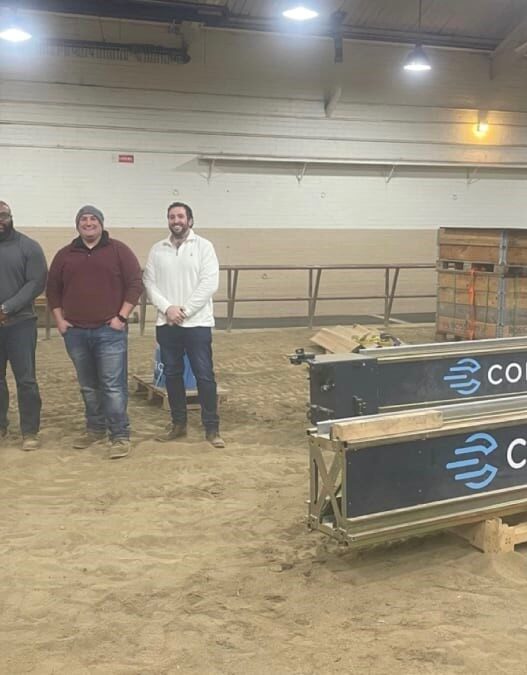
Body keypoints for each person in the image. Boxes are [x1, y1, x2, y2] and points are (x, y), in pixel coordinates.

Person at [46, 205, 143, 459]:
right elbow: (52, 289)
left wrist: (121, 317)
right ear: (77, 224)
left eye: (93, 219)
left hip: (109, 331)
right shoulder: (65, 255)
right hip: (76, 332)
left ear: (101, 223)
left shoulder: (119, 250)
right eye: (83, 219)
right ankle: (95, 428)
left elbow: (135, 283)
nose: (88, 223)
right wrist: (60, 321)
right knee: (88, 386)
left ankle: (119, 435)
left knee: (112, 386)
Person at [143, 201, 225, 448]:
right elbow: (149, 283)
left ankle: (211, 428)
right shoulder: (158, 249)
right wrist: (168, 309)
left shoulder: (204, 247)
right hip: (167, 323)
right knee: (172, 374)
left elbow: (209, 283)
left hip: (197, 324)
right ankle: (178, 424)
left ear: (190, 220)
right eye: (171, 217)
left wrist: (185, 311)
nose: (176, 220)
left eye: (180, 216)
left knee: (204, 375)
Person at [0, 201, 48, 450]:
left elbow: (36, 282)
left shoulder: (29, 247)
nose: (0, 221)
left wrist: (6, 308)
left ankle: (30, 431)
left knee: (26, 380)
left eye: (3, 215)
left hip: (21, 324)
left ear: (11, 217)